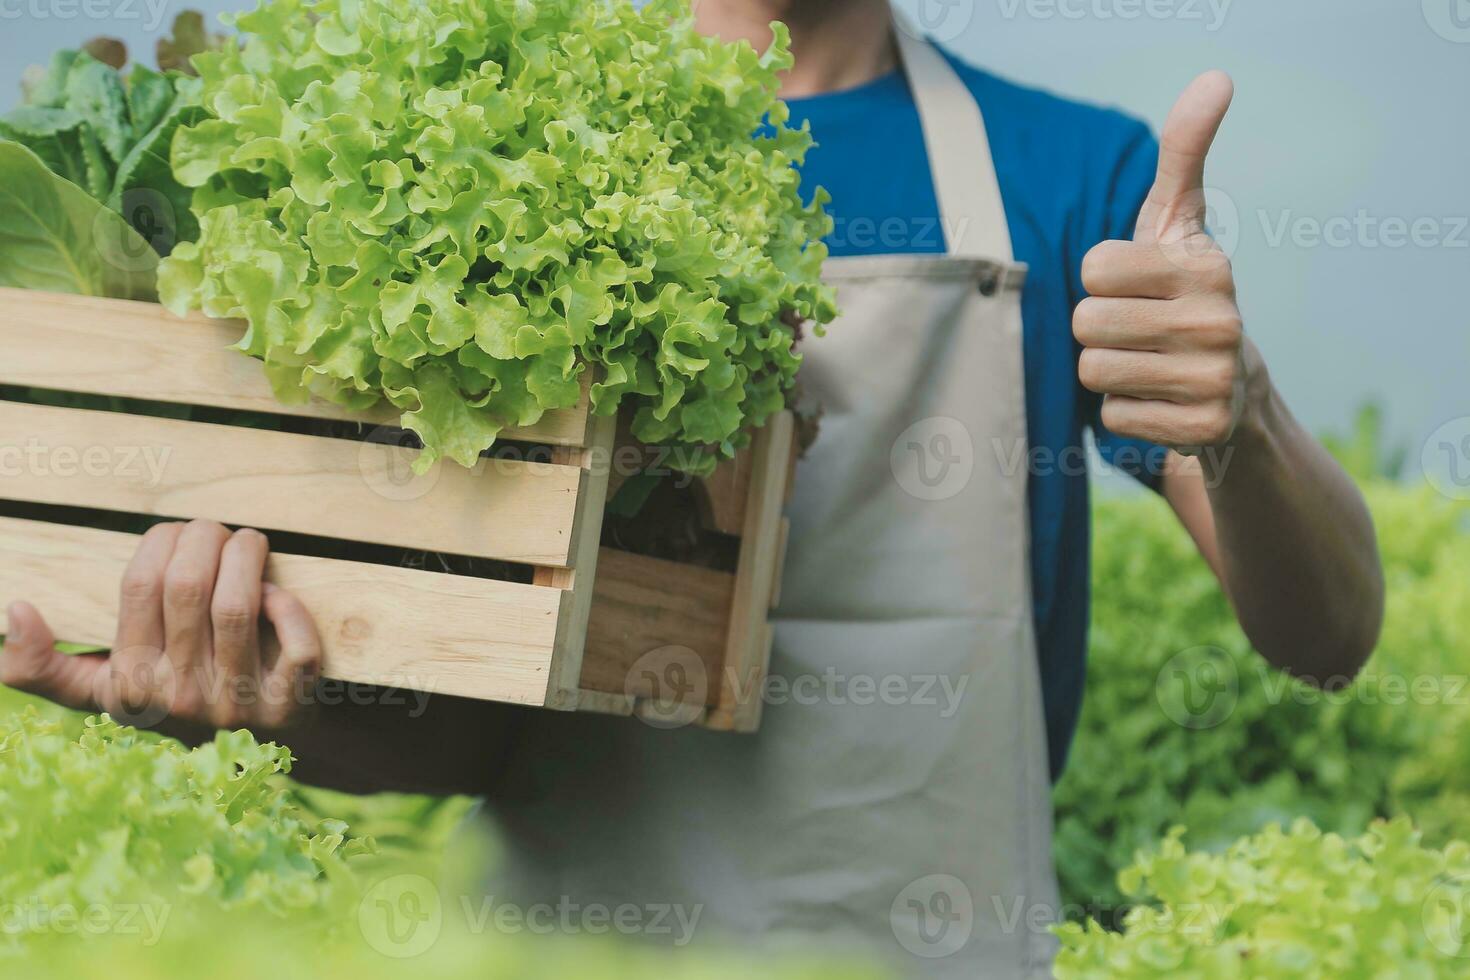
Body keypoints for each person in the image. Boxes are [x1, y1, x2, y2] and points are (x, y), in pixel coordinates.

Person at [1, 1, 1383, 975]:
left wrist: (1239, 411)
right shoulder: (467, 150)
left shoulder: (1070, 172)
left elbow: (1323, 639)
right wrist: (253, 706)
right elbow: (455, 744)